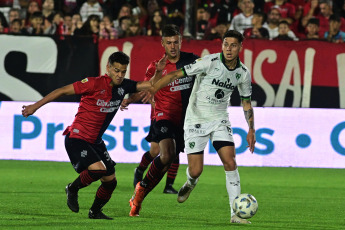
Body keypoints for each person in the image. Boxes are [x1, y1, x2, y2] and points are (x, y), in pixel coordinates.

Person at [21, 51, 154, 220]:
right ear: (108, 68)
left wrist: (161, 71)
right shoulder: (93, 83)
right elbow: (62, 91)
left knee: (111, 181)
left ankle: (95, 212)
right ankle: (72, 188)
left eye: (123, 71)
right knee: (99, 170)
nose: (119, 75)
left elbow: (150, 84)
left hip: (95, 141)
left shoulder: (124, 86)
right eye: (116, 70)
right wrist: (35, 107)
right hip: (76, 137)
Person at [151, 30, 256, 224]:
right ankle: (191, 182)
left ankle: (235, 214)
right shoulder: (209, 62)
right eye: (226, 44)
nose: (229, 49)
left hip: (219, 120)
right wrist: (153, 88)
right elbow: (175, 74)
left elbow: (246, 103)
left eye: (233, 45)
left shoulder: (243, 73)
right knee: (196, 170)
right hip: (195, 120)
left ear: (240, 47)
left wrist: (251, 129)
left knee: (230, 162)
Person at [129, 24, 199, 216]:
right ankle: (141, 188)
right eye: (168, 43)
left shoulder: (191, 61)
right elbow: (146, 87)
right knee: (165, 153)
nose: (173, 46)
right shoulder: (155, 66)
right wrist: (129, 98)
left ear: (180, 41)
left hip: (185, 119)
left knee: (169, 160)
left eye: (175, 42)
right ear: (162, 44)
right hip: (163, 116)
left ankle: (140, 194)